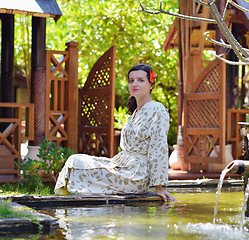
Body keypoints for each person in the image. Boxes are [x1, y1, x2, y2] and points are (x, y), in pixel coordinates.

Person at [54, 64, 177, 202]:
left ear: (151, 85)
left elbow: (158, 147)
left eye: (141, 80)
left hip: (136, 175)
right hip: (123, 165)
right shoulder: (136, 112)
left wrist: (158, 187)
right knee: (74, 160)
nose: (135, 84)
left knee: (77, 165)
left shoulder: (157, 110)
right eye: (131, 80)